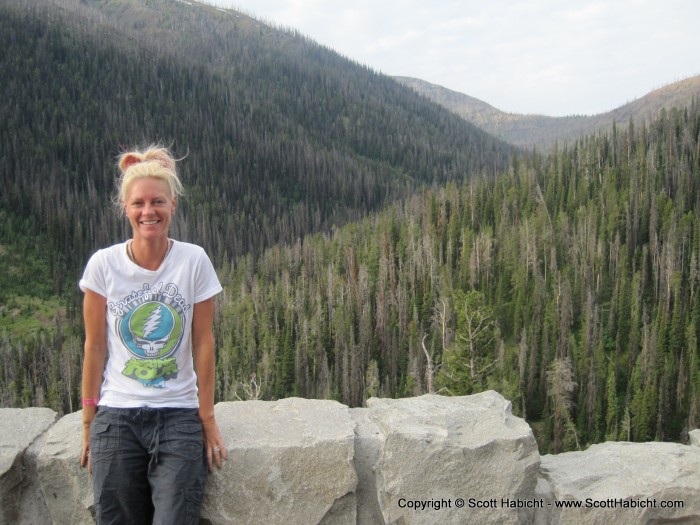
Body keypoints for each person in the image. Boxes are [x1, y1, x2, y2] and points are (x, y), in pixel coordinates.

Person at [79, 145, 228, 524]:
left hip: (178, 414)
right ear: (125, 208)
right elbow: (95, 348)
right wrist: (88, 422)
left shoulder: (193, 260)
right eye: (139, 203)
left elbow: (203, 342)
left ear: (173, 205)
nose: (149, 212)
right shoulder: (103, 265)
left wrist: (206, 417)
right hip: (116, 416)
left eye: (158, 201)